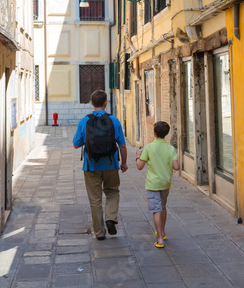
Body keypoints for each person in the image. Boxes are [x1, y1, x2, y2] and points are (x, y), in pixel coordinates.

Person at [72, 90, 127, 240]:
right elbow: (122, 145)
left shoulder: (84, 121)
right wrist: (124, 163)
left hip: (91, 167)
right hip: (110, 164)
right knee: (113, 192)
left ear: (91, 103)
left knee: (95, 199)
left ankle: (100, 233)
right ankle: (110, 218)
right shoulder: (114, 120)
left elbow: (76, 144)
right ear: (105, 103)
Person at [135, 120, 180, 249]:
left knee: (156, 210)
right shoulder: (170, 148)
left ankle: (160, 239)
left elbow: (139, 166)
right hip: (166, 183)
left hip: (153, 184)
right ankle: (163, 232)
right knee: (163, 206)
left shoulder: (148, 148)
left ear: (154, 133)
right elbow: (176, 167)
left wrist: (138, 156)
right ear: (166, 134)